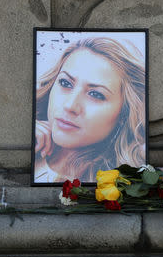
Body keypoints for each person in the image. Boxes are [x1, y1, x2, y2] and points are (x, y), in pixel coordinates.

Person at [34, 37, 146, 183]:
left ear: (124, 114)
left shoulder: (118, 183)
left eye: (96, 94)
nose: (70, 106)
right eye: (65, 83)